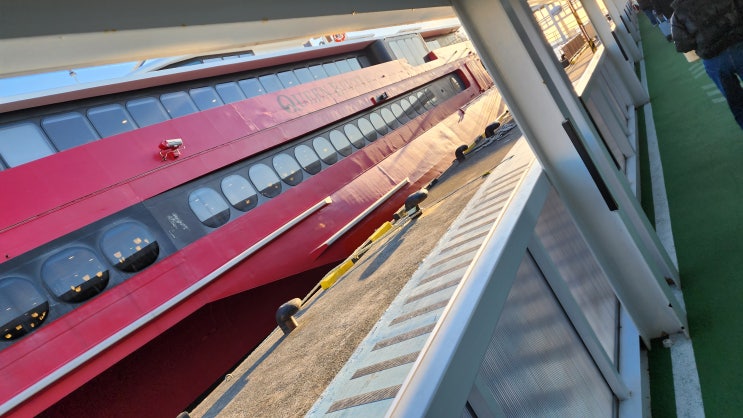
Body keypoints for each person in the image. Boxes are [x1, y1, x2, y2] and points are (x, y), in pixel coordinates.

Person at [671, 0, 743, 129]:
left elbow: (683, 45)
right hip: (738, 45)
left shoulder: (678, 13)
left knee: (736, 102)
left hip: (714, 59)